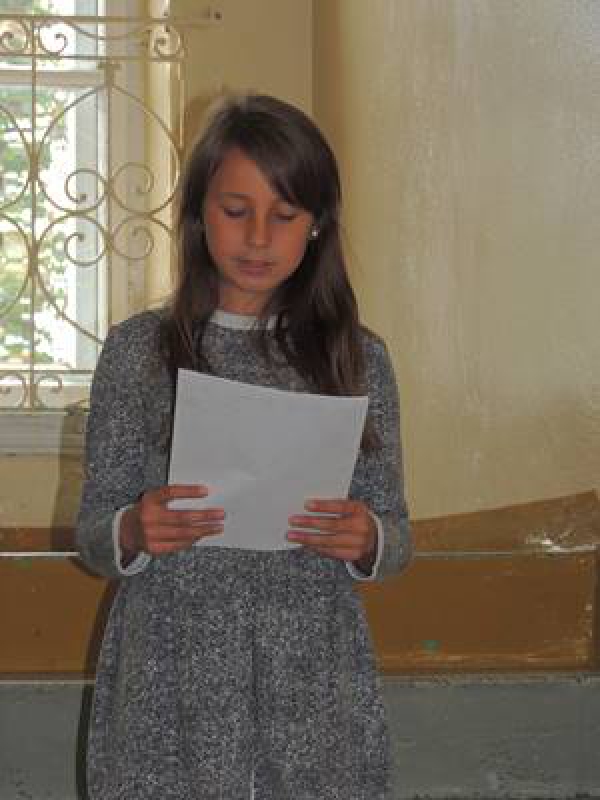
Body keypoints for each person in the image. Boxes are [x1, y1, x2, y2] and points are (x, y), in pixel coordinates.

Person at [76, 92, 412, 800]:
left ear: (316, 224)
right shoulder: (138, 352)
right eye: (236, 210)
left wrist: (367, 538)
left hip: (311, 677)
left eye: (284, 215)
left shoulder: (357, 358)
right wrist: (133, 527)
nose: (258, 237)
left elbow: (395, 534)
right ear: (199, 215)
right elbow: (94, 533)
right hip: (170, 671)